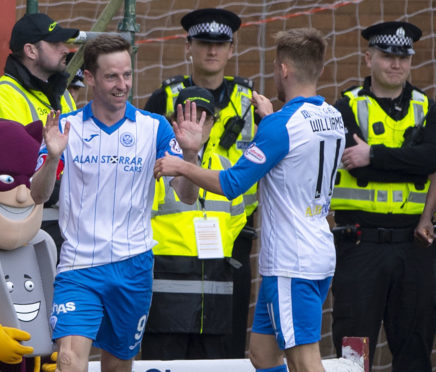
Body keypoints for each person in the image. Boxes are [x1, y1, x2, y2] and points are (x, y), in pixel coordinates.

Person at [154, 28, 345, 372]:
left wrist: (182, 164)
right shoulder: (332, 117)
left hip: (292, 261)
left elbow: (231, 183)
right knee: (261, 353)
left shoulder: (281, 126)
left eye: (275, 67)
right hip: (312, 249)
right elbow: (293, 155)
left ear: (283, 69)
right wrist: (270, 120)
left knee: (304, 360)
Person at [30, 34, 203, 372]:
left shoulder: (155, 129)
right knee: (67, 359)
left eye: (127, 75)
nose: (122, 84)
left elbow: (186, 195)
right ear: (91, 78)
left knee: (118, 365)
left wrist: (191, 155)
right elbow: (38, 195)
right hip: (79, 267)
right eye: (111, 76)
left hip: (133, 267)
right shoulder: (67, 128)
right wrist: (51, 158)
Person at [144, 8, 258, 358]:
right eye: (205, 43)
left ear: (231, 48)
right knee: (168, 344)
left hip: (232, 235)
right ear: (188, 46)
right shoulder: (165, 97)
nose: (212, 51)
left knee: (225, 339)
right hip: (172, 243)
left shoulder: (251, 101)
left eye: (220, 44)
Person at [330, 21, 436, 371]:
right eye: (387, 56)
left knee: (414, 349)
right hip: (360, 245)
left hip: (415, 246)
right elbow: (354, 165)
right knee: (353, 352)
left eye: (403, 57)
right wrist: (413, 164)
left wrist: (374, 155)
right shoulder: (345, 106)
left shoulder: (427, 107)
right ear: (368, 58)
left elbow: (432, 159)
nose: (396, 64)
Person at [141, 86, 246, 360]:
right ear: (173, 120)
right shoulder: (156, 165)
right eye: (187, 116)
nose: (196, 124)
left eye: (203, 118)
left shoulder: (224, 167)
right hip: (165, 307)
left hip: (214, 304)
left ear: (213, 123)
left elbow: (236, 221)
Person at [0, 12, 80, 262]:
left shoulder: (62, 95)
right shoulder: (6, 94)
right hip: (26, 223)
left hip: (67, 224)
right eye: (55, 44)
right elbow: (20, 164)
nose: (65, 49)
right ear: (31, 51)